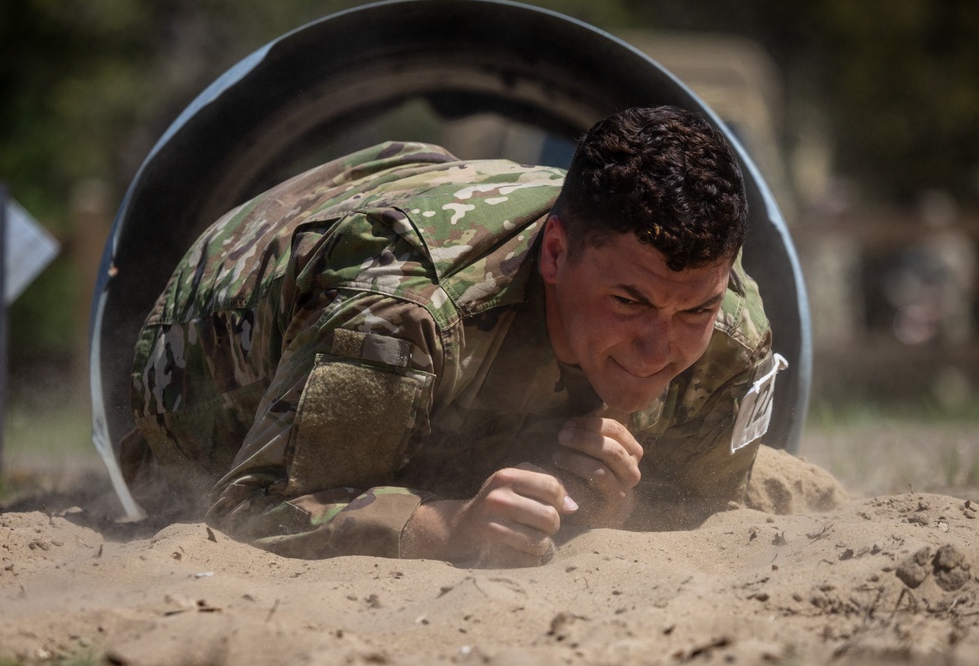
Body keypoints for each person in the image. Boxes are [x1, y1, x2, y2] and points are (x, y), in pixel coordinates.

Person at [122, 106, 777, 567]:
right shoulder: (404, 309)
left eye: (693, 310)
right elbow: (252, 508)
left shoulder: (732, 339)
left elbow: (705, 512)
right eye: (629, 301)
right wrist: (447, 527)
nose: (658, 347)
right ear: (556, 253)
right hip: (207, 341)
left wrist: (617, 507)